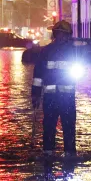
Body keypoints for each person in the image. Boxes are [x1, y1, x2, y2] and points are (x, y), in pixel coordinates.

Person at [31, 20, 78, 156]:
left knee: (56, 126)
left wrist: (35, 94)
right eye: (63, 35)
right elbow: (38, 76)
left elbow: (38, 75)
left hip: (55, 98)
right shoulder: (70, 52)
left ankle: (54, 154)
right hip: (62, 98)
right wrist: (35, 94)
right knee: (59, 126)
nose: (65, 38)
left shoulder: (47, 51)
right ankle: (60, 154)